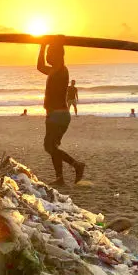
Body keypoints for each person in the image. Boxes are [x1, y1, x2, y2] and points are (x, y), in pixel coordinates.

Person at [37, 40, 85, 185]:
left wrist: (58, 42)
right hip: (55, 115)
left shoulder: (62, 70)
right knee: (53, 147)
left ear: (57, 55)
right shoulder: (52, 70)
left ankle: (77, 165)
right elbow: (39, 66)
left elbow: (60, 56)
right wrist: (43, 45)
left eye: (50, 53)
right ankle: (60, 178)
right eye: (47, 53)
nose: (47, 56)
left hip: (58, 115)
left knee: (49, 146)